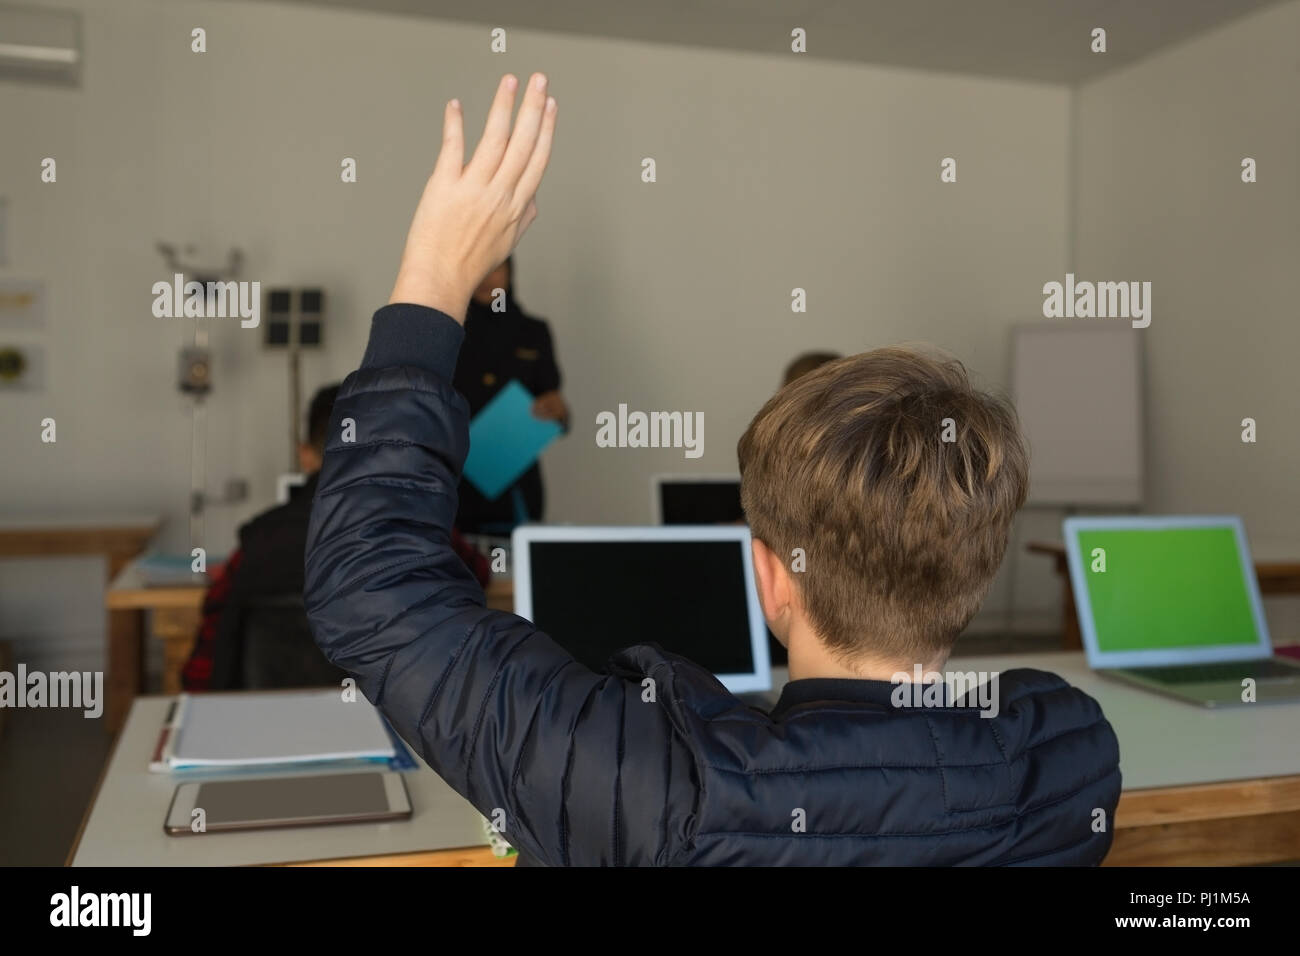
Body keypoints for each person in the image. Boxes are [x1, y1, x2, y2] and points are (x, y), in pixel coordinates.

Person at [305, 73, 1120, 865]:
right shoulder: (1064, 762)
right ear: (973, 572)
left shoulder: (651, 788)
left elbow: (371, 583)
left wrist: (431, 276)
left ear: (770, 578)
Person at [182, 384, 490, 691]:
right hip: (393, 728)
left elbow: (205, 668)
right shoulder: (421, 528)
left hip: (271, 730)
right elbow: (477, 577)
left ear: (306, 455)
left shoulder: (256, 544)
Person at [452, 254, 568, 533]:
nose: (485, 279)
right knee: (457, 567)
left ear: (509, 273)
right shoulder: (447, 331)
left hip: (515, 482)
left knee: (513, 568)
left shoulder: (532, 332)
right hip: (455, 482)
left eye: (494, 269)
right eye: (477, 269)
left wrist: (558, 412)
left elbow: (554, 406)